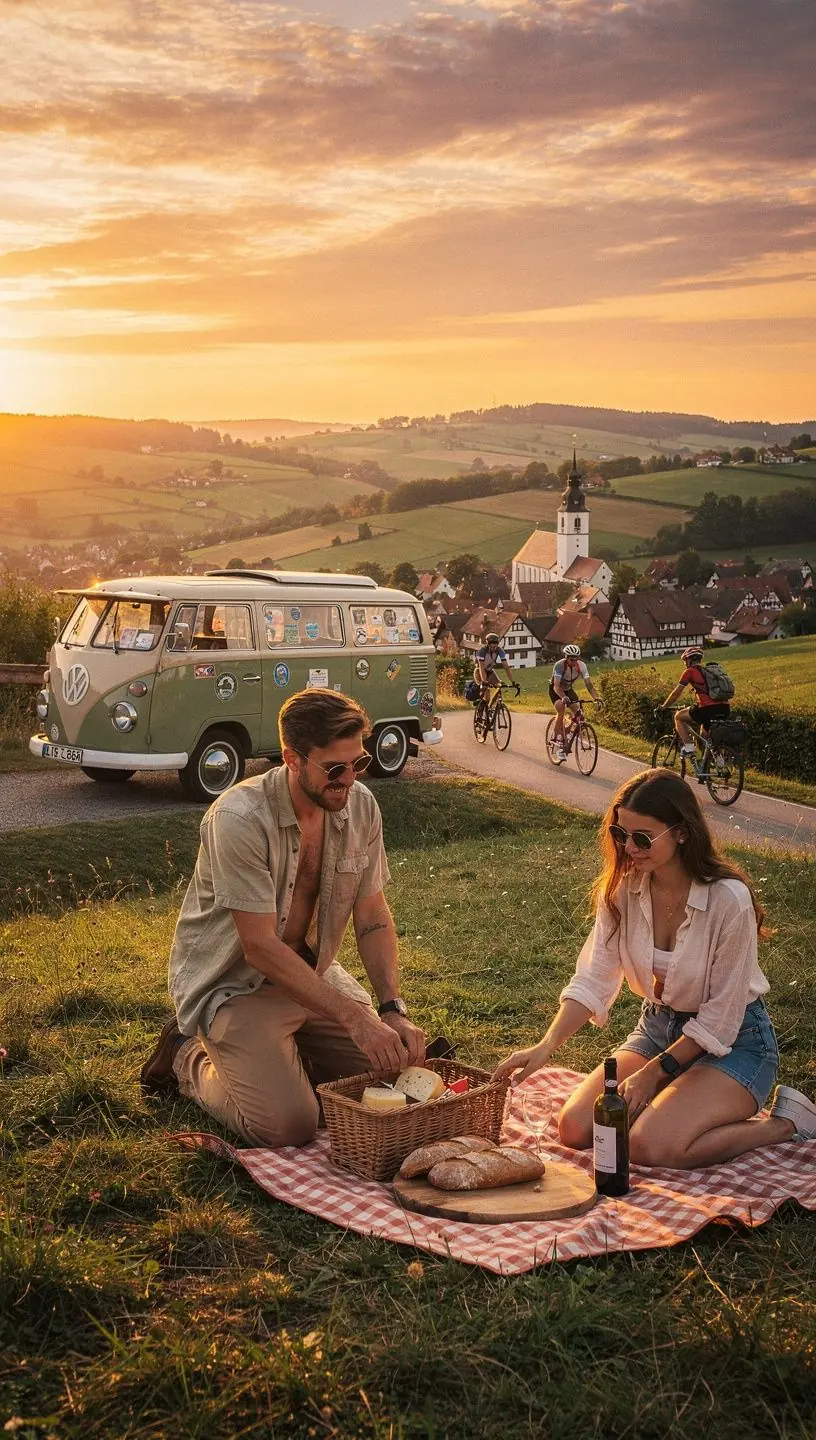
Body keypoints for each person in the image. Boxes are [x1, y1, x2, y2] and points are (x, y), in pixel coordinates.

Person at [140, 689, 426, 1147]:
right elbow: (260, 948)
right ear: (292, 759)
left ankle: (285, 1061)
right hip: (237, 985)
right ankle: (185, 1055)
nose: (349, 779)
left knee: (393, 1081)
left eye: (358, 763)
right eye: (334, 769)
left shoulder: (361, 806)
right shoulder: (239, 818)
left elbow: (372, 915)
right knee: (290, 1126)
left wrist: (391, 1009)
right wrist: (355, 1019)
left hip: (312, 975)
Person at [493, 768, 816, 1166]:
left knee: (648, 1146)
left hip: (735, 1043)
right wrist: (546, 1046)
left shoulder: (729, 900)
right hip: (657, 1029)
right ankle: (677, 1101)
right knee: (575, 1128)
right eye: (620, 834)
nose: (629, 847)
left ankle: (784, 1124)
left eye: (642, 838)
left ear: (681, 833)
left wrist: (653, 1074)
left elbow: (720, 1021)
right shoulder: (623, 889)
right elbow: (593, 979)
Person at [660, 646, 731, 761]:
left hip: (707, 709)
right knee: (706, 737)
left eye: (685, 660)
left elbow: (676, 693)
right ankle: (719, 764)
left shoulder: (690, 671)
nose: (684, 663)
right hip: (725, 708)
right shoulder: (708, 671)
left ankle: (689, 747)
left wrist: (664, 706)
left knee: (678, 717)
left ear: (689, 660)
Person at [549, 644, 603, 761]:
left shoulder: (582, 666)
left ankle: (567, 732)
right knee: (561, 708)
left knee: (579, 713)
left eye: (576, 659)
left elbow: (589, 685)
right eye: (571, 659)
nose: (574, 661)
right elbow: (556, 686)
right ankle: (557, 738)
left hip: (568, 690)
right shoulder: (559, 665)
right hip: (556, 690)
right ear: (566, 657)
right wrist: (563, 697)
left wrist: (596, 698)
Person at [474, 631, 514, 699]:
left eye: (496, 642)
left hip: (490, 671)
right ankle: (483, 703)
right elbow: (481, 667)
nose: (494, 645)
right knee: (486, 691)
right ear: (488, 643)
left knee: (499, 686)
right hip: (479, 671)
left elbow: (506, 667)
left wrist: (512, 681)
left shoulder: (500, 650)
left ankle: (496, 704)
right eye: (492, 642)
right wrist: (484, 681)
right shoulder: (482, 651)